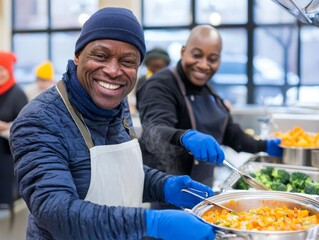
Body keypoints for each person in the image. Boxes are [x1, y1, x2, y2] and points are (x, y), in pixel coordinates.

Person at [9, 8, 219, 240]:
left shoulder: (117, 105)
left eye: (127, 61)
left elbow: (117, 173)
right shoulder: (39, 120)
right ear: (78, 55)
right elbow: (56, 212)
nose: (113, 71)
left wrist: (164, 185)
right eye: (100, 56)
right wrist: (153, 222)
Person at [136, 25, 282, 190]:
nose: (204, 65)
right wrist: (185, 137)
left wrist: (264, 146)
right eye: (197, 55)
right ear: (183, 52)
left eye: (212, 58)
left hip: (203, 186)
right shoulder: (159, 84)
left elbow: (230, 133)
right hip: (169, 190)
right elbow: (153, 130)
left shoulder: (208, 89)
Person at [0, 51, 28, 226]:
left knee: (6, 205)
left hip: (8, 156)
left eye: (2, 69)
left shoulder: (17, 94)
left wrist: (7, 127)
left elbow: (27, 127)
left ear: (9, 71)